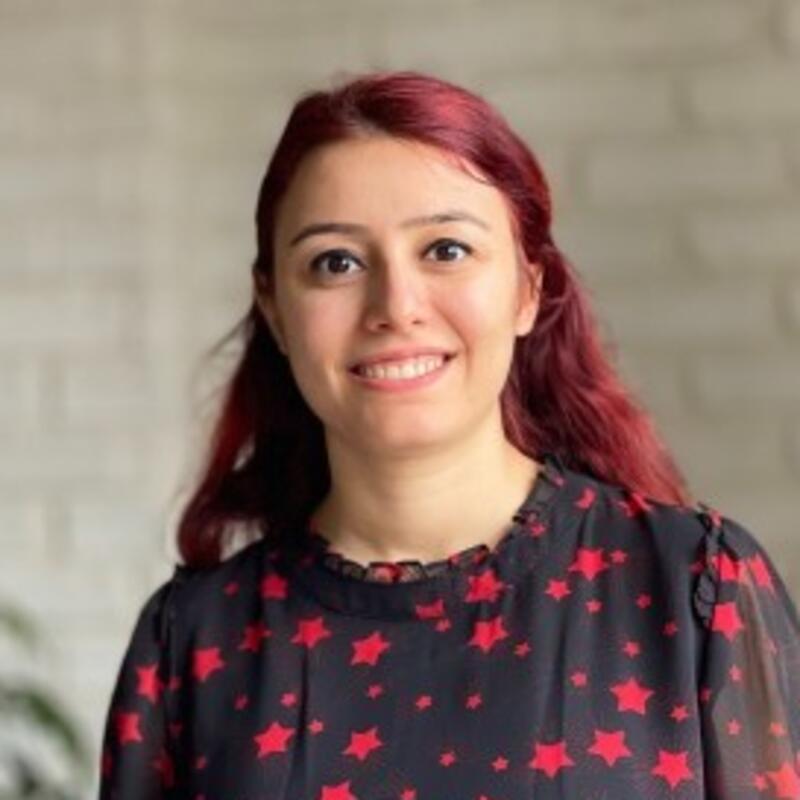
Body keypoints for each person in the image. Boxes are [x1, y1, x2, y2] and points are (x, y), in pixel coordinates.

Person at [98, 70, 800, 799]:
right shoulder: (189, 644)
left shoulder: (695, 586)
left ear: (528, 288)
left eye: (446, 250)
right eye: (336, 263)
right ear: (275, 310)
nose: (396, 306)